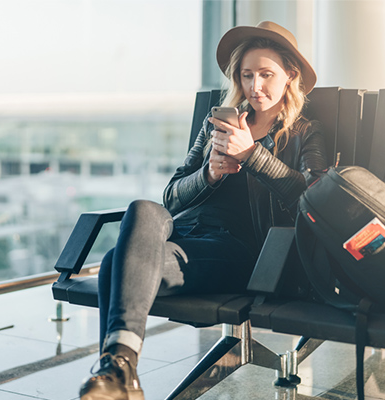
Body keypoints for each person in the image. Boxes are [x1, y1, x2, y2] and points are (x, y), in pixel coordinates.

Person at [79, 21, 327, 400]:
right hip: (186, 238)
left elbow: (313, 198)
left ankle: (116, 374)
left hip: (240, 253)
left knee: (115, 263)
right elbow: (171, 198)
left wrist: (252, 155)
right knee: (143, 209)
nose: (255, 86)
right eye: (246, 75)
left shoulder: (306, 132)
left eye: (266, 74)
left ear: (290, 75)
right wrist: (209, 175)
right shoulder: (219, 123)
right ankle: (119, 373)